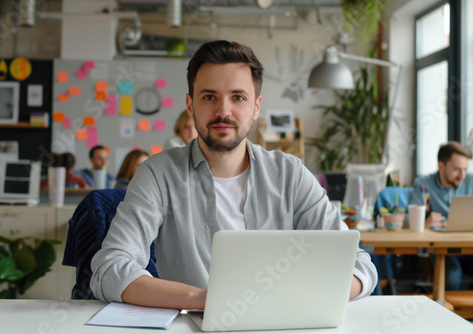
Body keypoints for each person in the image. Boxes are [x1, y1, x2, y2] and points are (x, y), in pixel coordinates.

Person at [90, 40, 377, 309]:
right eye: (209, 97)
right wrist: (204, 299)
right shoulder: (158, 173)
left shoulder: (290, 173)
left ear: (256, 107)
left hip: (281, 322)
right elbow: (110, 268)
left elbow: (358, 265)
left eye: (238, 97)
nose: (223, 111)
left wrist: (295, 298)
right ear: (190, 106)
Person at [409, 141, 473, 290]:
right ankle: (447, 311)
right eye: (457, 170)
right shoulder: (423, 185)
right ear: (441, 166)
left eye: (465, 169)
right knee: (452, 274)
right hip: (440, 247)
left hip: (468, 245)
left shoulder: (470, 181)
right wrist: (424, 222)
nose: (462, 176)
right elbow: (410, 220)